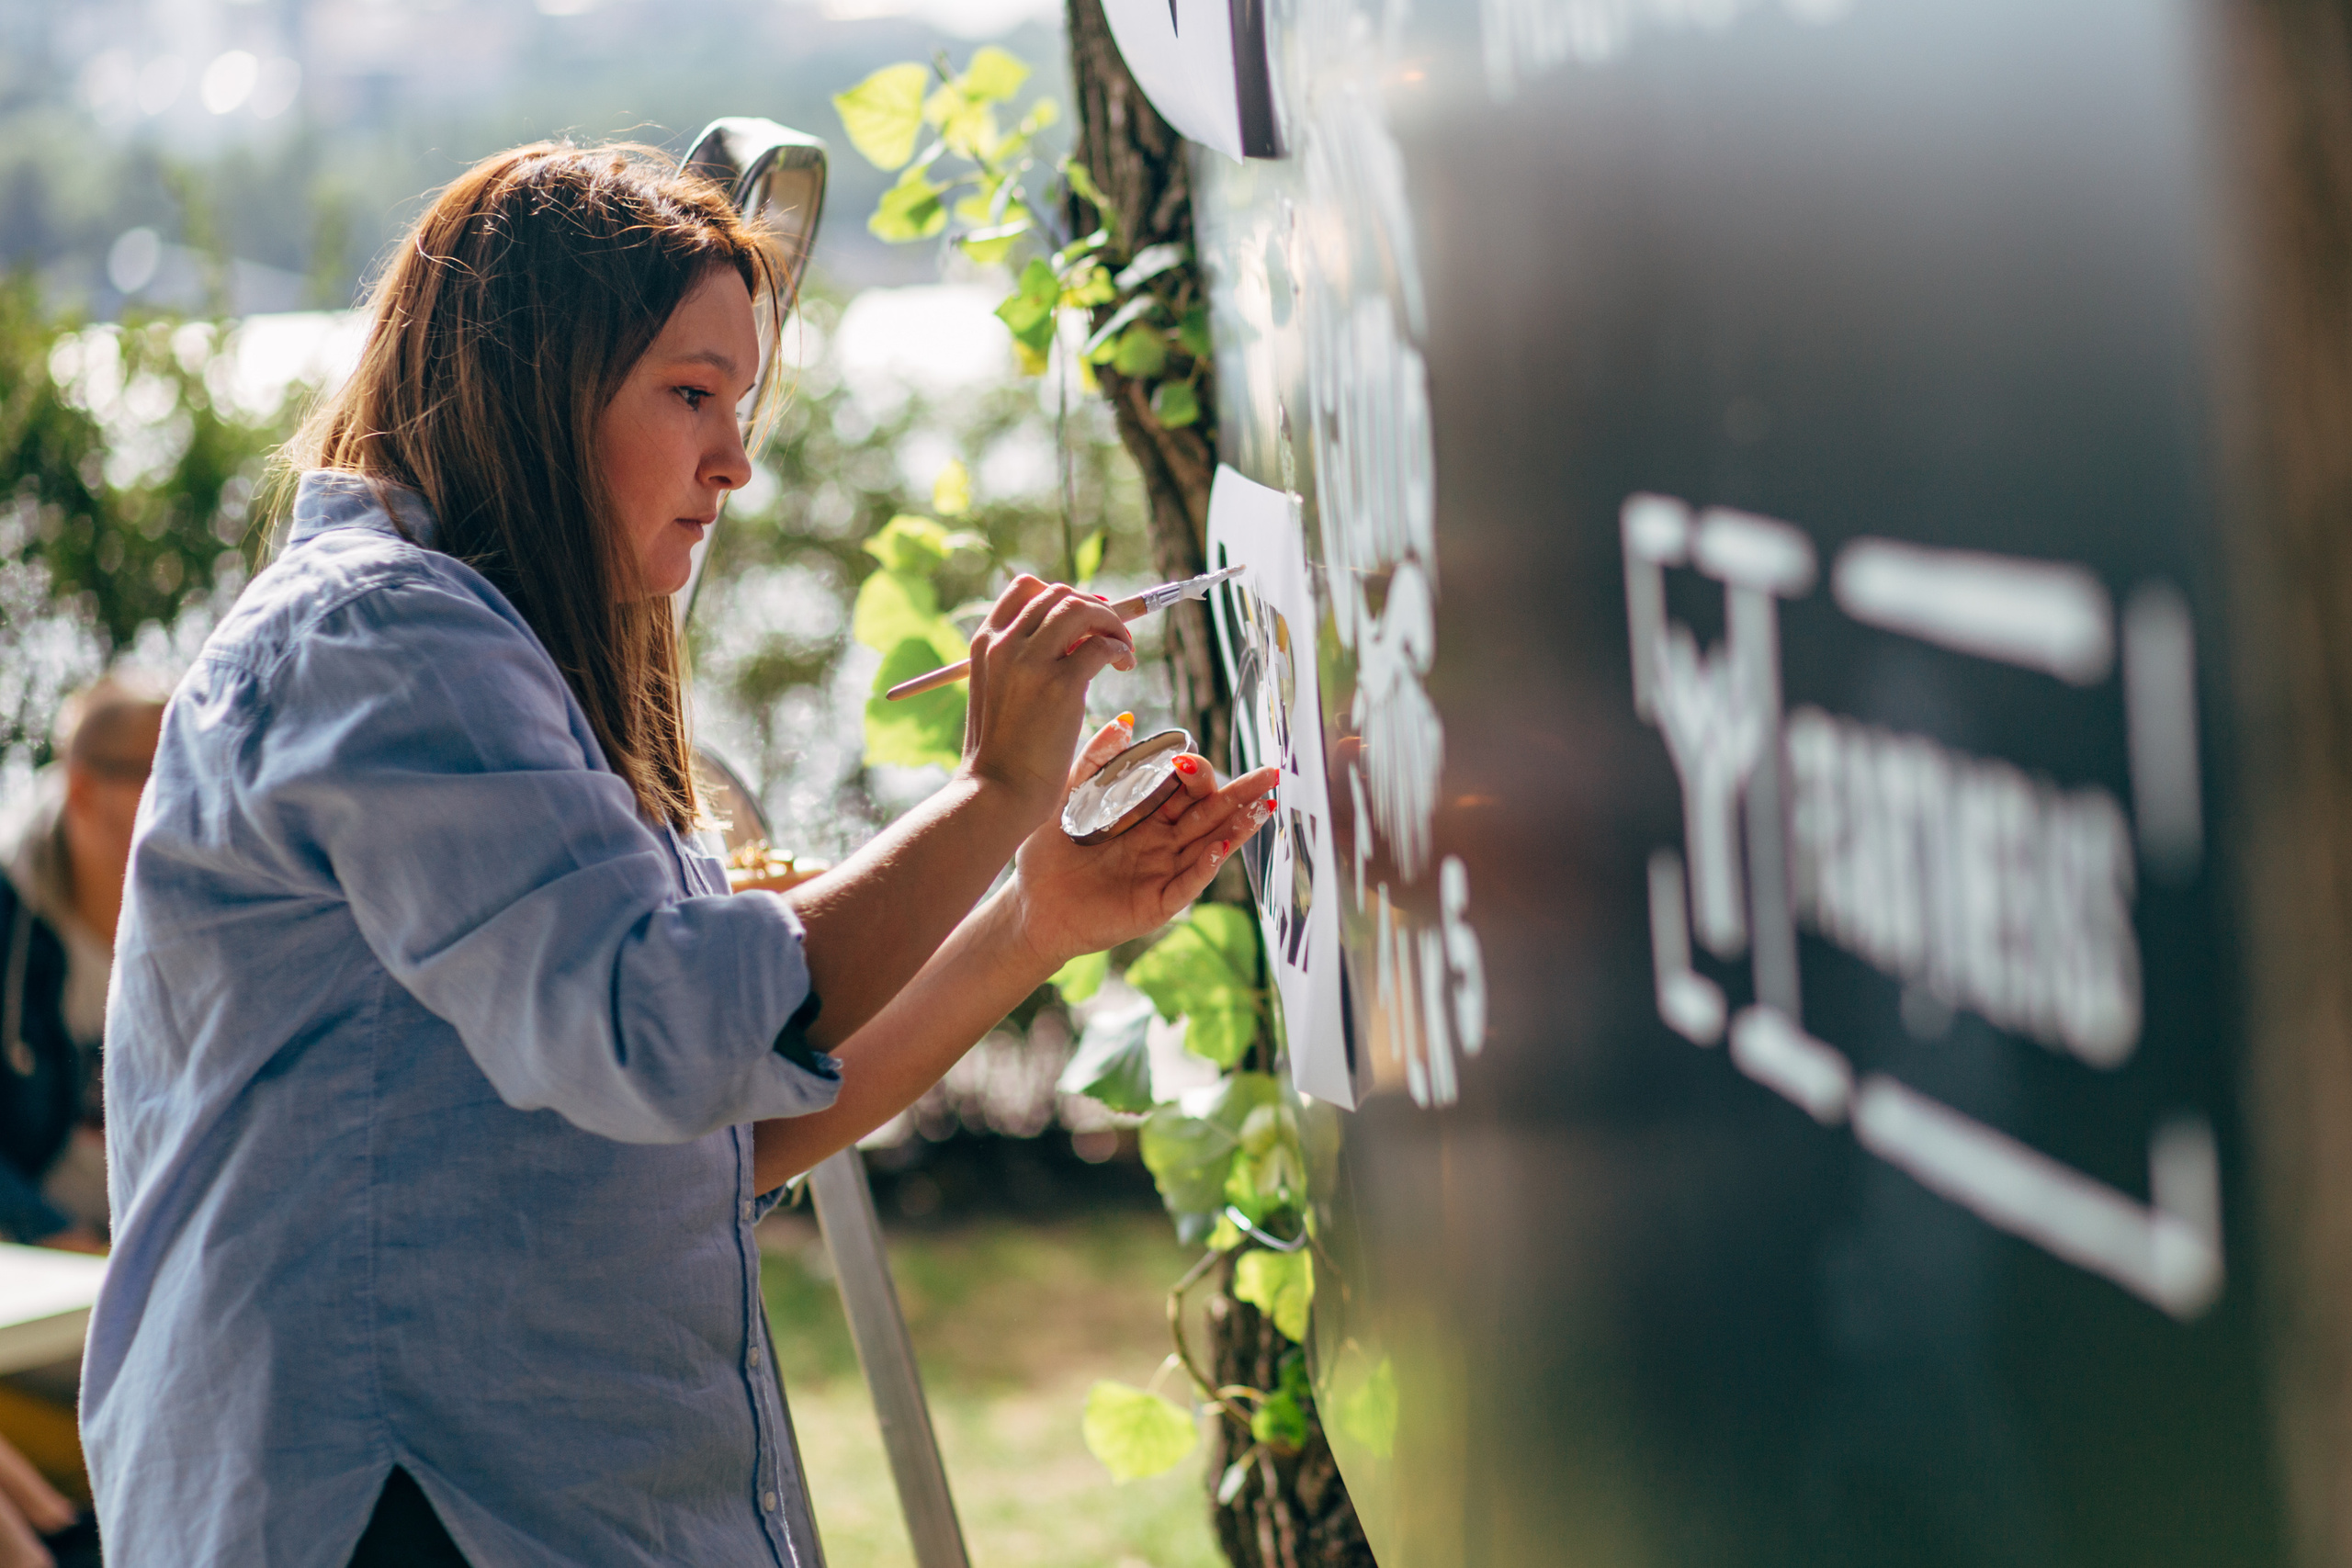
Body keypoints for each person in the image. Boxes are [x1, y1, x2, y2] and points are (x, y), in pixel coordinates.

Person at [81, 141, 1276, 1567]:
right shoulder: (386, 637)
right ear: (536, 388)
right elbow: (668, 1030)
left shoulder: (495, 653)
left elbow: (715, 1130)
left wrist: (1031, 916)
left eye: (742, 398)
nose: (737, 456)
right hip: (399, 1506)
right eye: (691, 393)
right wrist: (1001, 785)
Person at [0, 675, 164, 1252]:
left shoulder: (207, 911)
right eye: (162, 769)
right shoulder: (10, 916)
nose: (190, 792)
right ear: (83, 793)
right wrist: (56, 1237)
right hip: (39, 1276)